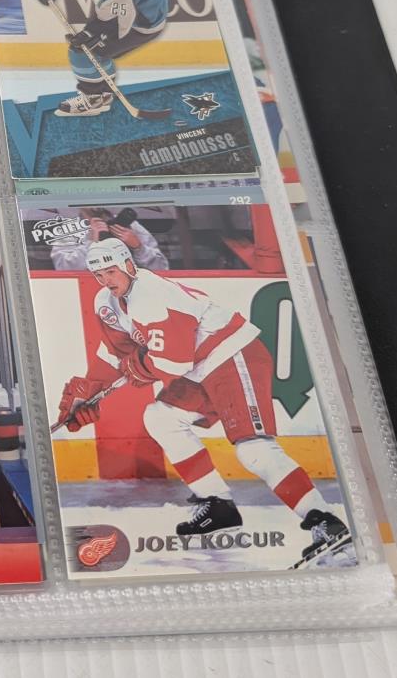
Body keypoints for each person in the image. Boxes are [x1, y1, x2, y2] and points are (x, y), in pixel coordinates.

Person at [55, 239, 349, 559]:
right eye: (99, 275)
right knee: (161, 417)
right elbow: (115, 354)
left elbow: (173, 362)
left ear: (129, 265)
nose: (106, 280)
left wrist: (136, 368)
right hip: (199, 368)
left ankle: (326, 521)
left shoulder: (152, 295)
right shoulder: (107, 302)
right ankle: (218, 505)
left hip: (231, 354)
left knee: (253, 449)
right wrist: (88, 392)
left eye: (111, 271)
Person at [27, 0, 168, 117]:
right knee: (92, 47)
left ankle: (93, 99)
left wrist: (93, 34)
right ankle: (104, 94)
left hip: (144, 19)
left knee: (83, 51)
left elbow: (123, 18)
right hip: (120, 4)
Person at [50, 208, 169, 272]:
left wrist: (139, 248)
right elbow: (64, 271)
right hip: (86, 292)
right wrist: (92, 244)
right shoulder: (69, 230)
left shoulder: (131, 226)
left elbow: (162, 269)